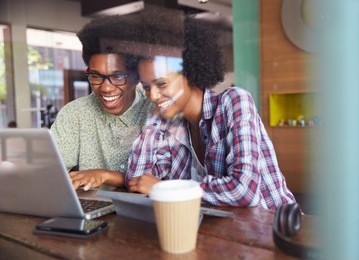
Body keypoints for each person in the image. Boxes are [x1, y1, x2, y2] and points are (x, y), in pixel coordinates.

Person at [125, 16, 296, 210]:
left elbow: (244, 191)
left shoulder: (234, 102)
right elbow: (137, 181)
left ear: (190, 73)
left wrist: (165, 188)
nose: (153, 95)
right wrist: (153, 117)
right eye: (146, 87)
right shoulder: (171, 126)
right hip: (226, 232)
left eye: (161, 84)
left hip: (276, 228)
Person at [51, 15, 154, 191]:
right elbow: (51, 171)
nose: (105, 88)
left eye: (117, 76)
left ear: (136, 76)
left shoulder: (154, 109)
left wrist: (105, 175)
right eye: (96, 76)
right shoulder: (75, 114)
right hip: (92, 210)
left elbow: (160, 181)